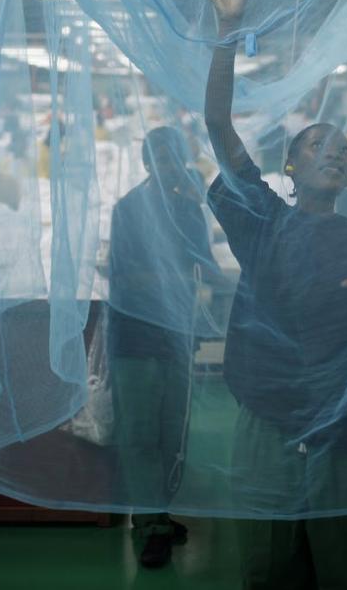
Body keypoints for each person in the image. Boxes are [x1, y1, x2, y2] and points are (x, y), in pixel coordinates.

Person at [198, 0, 347, 590]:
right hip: (269, 424)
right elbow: (219, 127)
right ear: (289, 165)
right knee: (267, 569)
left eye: (343, 149)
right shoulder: (263, 221)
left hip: (344, 435)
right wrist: (227, 30)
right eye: (320, 144)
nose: (336, 152)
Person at [106, 126, 223, 569]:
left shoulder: (188, 209)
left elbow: (206, 268)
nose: (170, 165)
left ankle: (159, 510)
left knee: (172, 433)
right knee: (139, 435)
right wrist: (171, 278)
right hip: (134, 339)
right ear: (145, 162)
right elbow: (122, 278)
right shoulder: (128, 210)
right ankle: (151, 525)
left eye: (176, 156)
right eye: (160, 157)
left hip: (176, 337)